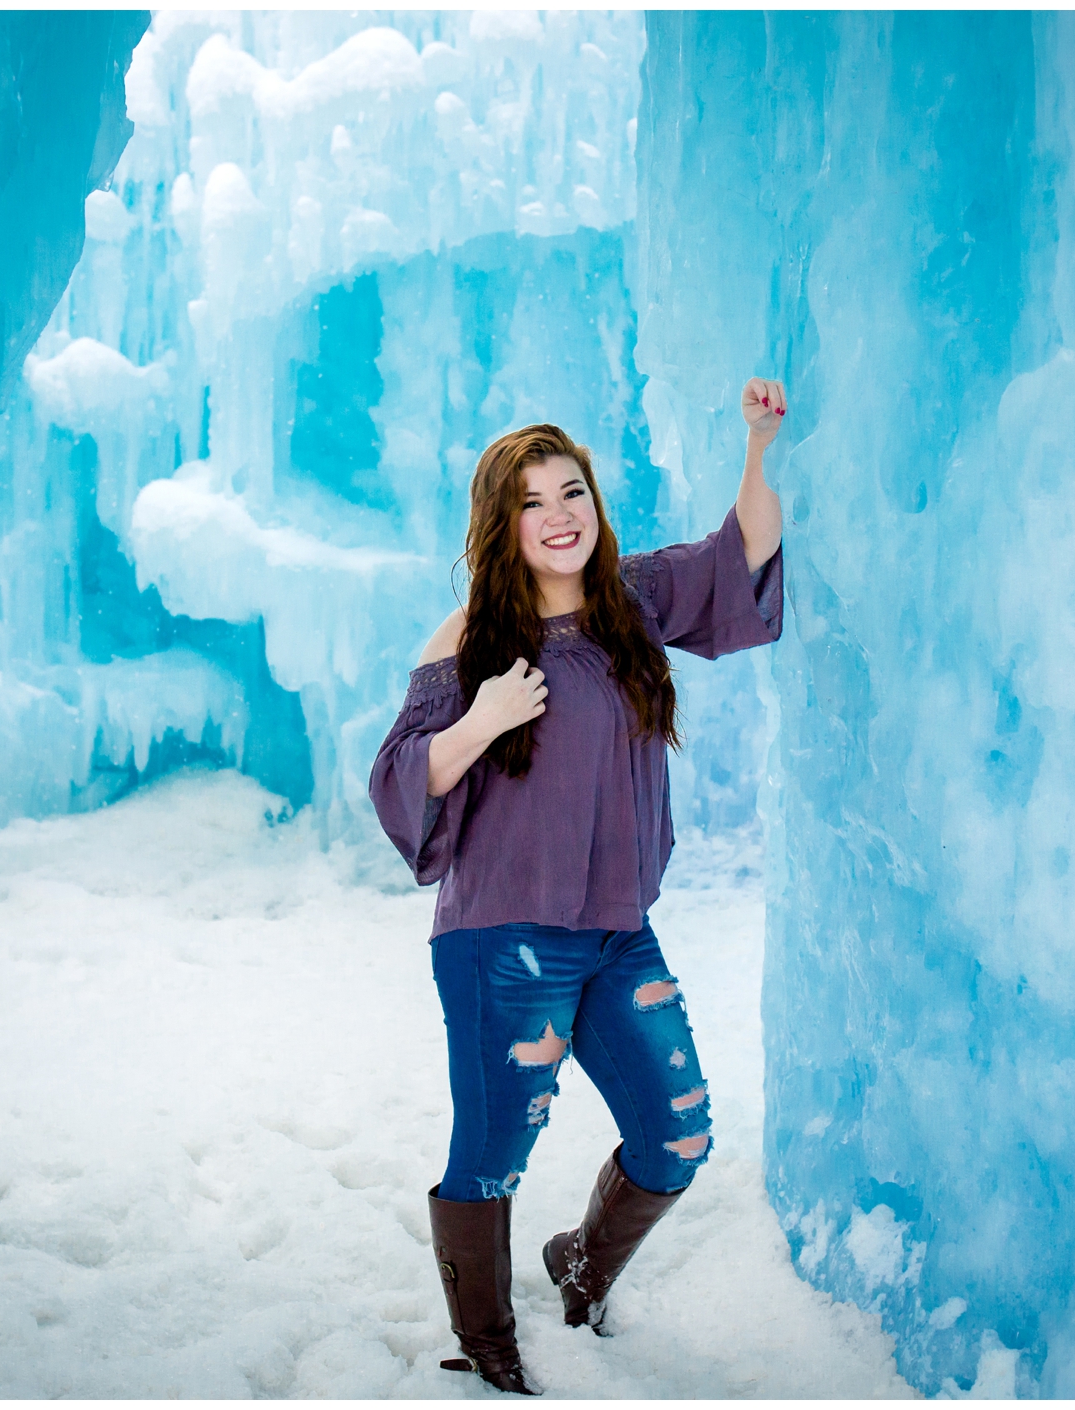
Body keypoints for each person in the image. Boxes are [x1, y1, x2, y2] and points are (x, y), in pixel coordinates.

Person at [368, 378, 788, 1394]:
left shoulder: (631, 601)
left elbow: (741, 558)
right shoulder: (469, 639)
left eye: (572, 495)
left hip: (616, 931)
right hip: (503, 938)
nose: (558, 517)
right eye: (531, 502)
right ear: (499, 523)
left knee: (677, 1131)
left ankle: (579, 1270)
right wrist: (483, 718)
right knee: (491, 1151)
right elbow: (398, 776)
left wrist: (757, 449)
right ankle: (490, 1349)